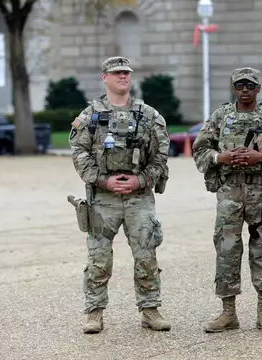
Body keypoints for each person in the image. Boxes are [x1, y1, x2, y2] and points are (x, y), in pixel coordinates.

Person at [69, 56, 171, 334]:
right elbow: (79, 153)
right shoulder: (90, 115)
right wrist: (105, 180)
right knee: (98, 258)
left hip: (139, 197)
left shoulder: (148, 115)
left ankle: (150, 310)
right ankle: (94, 313)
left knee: (146, 254)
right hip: (103, 198)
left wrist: (141, 179)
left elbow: (161, 154)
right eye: (116, 73)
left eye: (126, 73)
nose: (123, 77)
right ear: (105, 77)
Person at [192, 67, 262, 333]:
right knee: (226, 250)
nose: (245, 89)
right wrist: (221, 158)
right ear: (233, 88)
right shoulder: (220, 116)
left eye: (250, 85)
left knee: (261, 249)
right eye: (240, 85)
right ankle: (228, 313)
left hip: (259, 192)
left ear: (258, 88)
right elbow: (200, 150)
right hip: (228, 191)